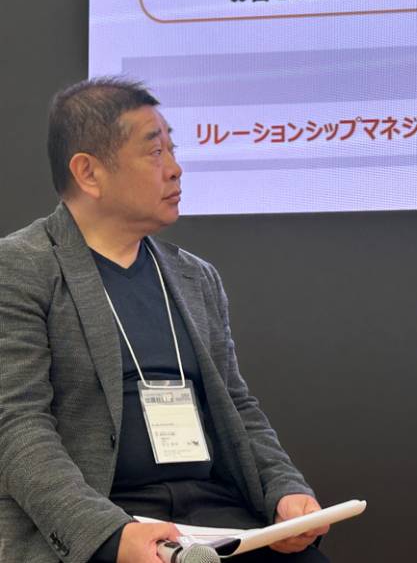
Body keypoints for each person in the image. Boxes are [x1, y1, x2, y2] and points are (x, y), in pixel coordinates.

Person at [0, 78, 329, 563]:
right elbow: (17, 427)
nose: (175, 169)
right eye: (155, 152)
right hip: (105, 515)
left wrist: (285, 491)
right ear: (89, 172)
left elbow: (236, 406)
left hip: (213, 512)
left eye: (173, 150)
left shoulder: (195, 277)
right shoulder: (21, 267)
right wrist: (108, 535)